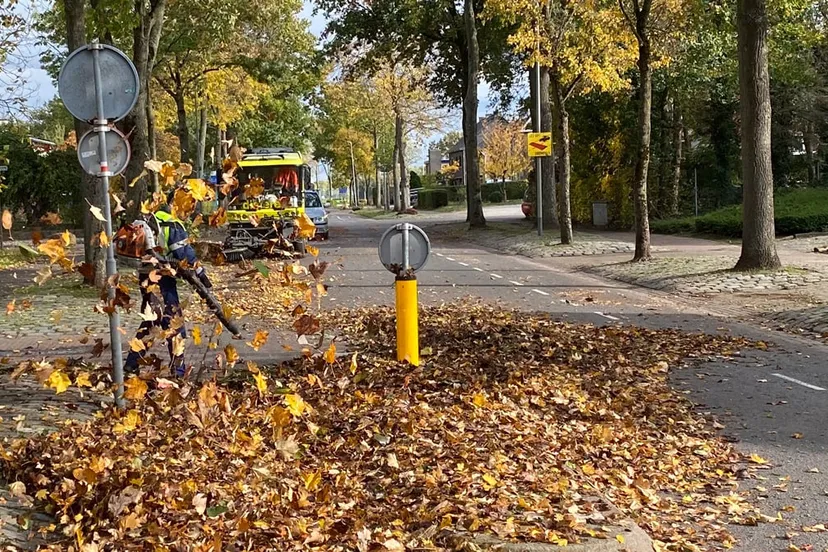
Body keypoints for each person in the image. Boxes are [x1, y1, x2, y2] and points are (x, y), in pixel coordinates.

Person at [121, 197, 212, 377]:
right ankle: (178, 371)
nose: (189, 210)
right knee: (174, 321)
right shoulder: (172, 224)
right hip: (162, 278)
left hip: (146, 277)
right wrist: (201, 274)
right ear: (173, 205)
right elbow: (184, 254)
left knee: (153, 319)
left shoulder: (151, 219)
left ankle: (132, 363)